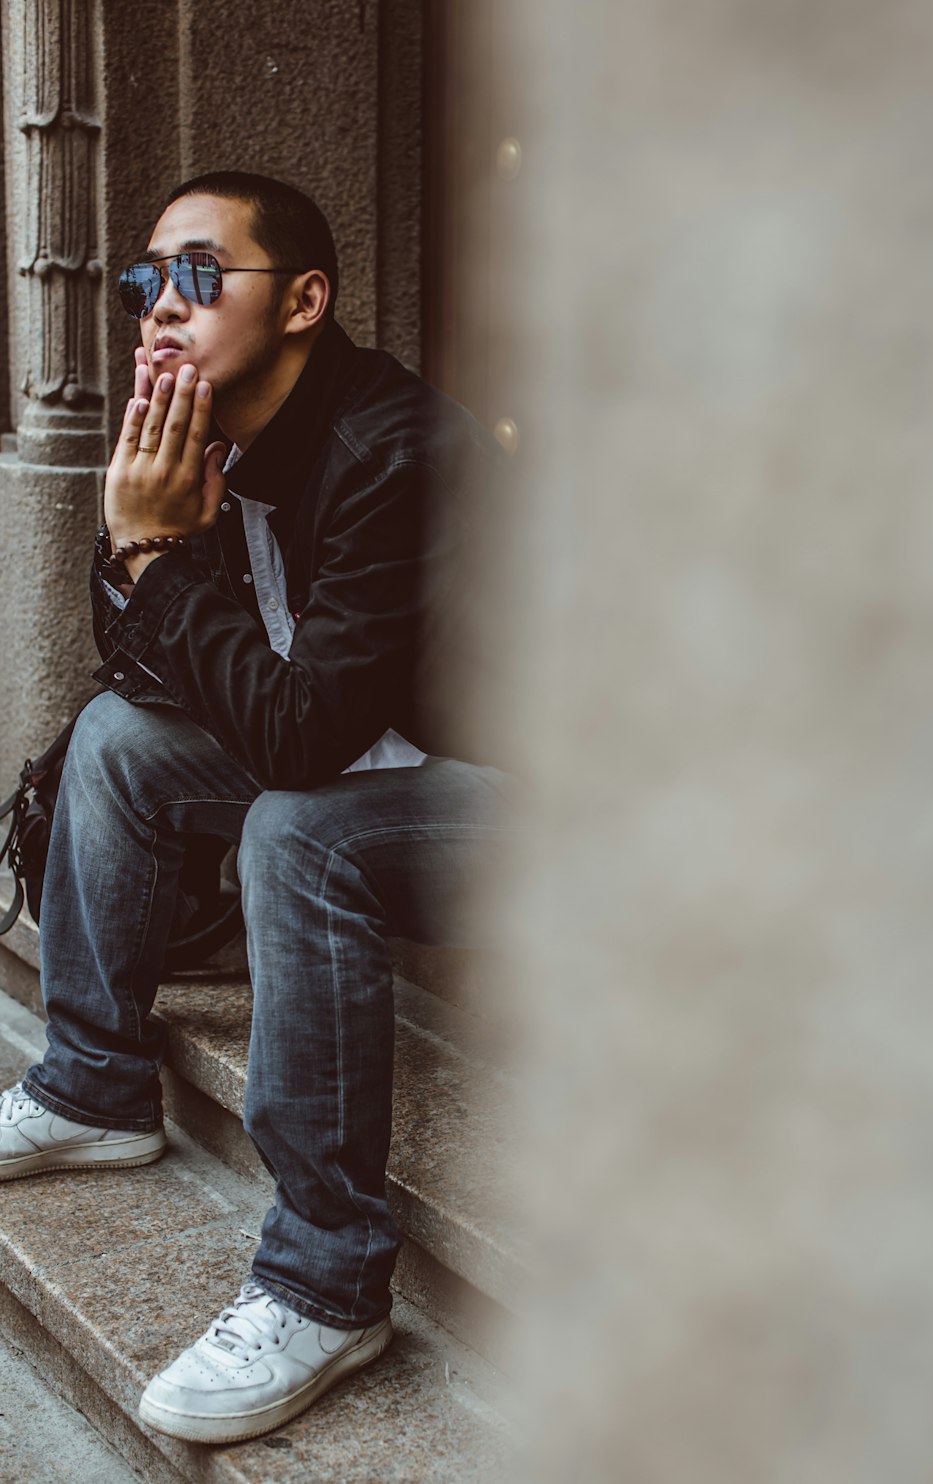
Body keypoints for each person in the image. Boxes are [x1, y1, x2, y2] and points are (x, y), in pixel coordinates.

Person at [0, 172, 513, 1445]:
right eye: (141, 283)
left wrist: (160, 555)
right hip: (373, 752)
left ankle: (326, 1279)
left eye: (193, 275)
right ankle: (93, 1083)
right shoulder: (221, 428)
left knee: (296, 828)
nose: (154, 310)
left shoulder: (398, 449)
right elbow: (142, 680)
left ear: (304, 300)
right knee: (120, 738)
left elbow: (296, 740)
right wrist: (135, 544)